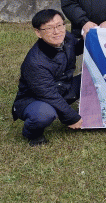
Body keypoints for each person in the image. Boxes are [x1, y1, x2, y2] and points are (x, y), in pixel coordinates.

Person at [12, 9, 83, 146]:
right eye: (49, 28)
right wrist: (72, 118)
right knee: (44, 115)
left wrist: (90, 37)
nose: (56, 31)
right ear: (38, 32)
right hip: (35, 99)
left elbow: (77, 48)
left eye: (59, 25)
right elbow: (49, 95)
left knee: (95, 79)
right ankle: (32, 133)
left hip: (63, 87)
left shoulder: (66, 37)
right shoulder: (35, 62)